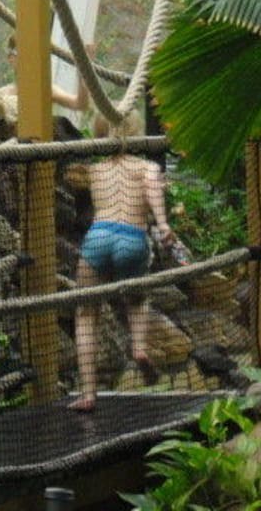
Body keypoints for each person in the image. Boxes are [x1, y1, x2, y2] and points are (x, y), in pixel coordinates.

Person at [69, 112, 175, 412]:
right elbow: (153, 189)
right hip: (132, 238)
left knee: (85, 312)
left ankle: (88, 393)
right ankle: (139, 349)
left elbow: (76, 176)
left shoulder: (95, 170)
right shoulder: (146, 167)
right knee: (138, 300)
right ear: (135, 134)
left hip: (98, 237)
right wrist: (163, 225)